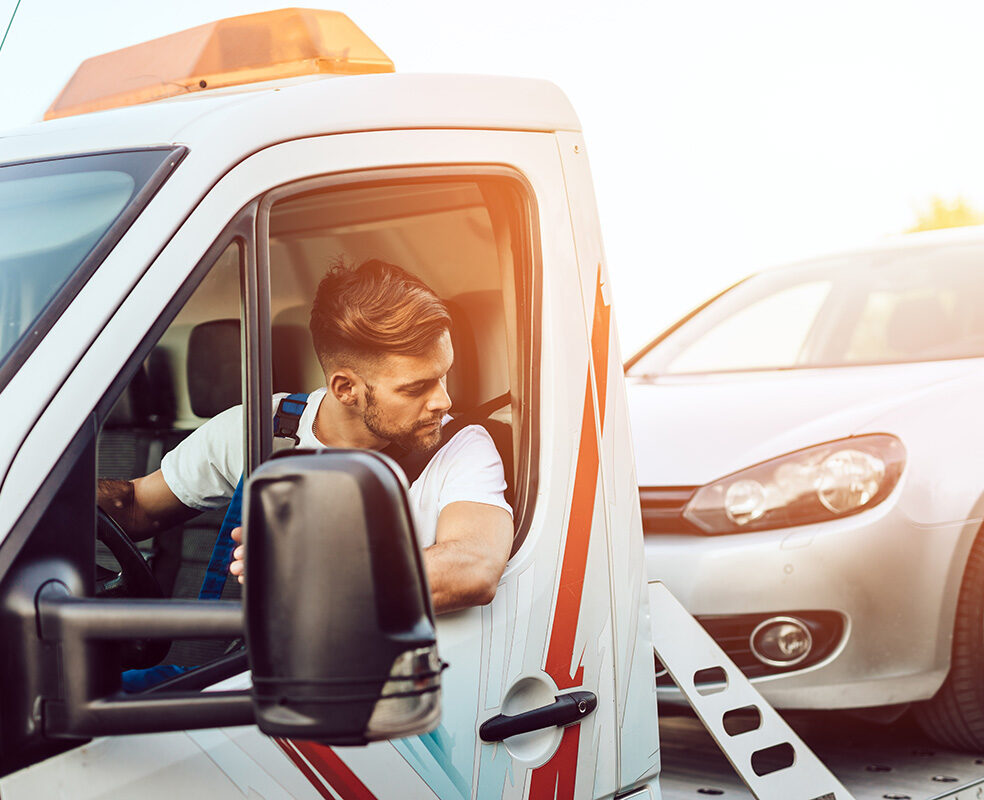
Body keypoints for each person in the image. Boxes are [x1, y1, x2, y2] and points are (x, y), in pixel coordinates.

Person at [99, 259, 514, 614]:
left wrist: (314, 568)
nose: (444, 400)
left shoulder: (463, 447)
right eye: (415, 388)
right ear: (345, 389)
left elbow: (473, 567)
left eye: (444, 376)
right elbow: (137, 508)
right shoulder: (259, 428)